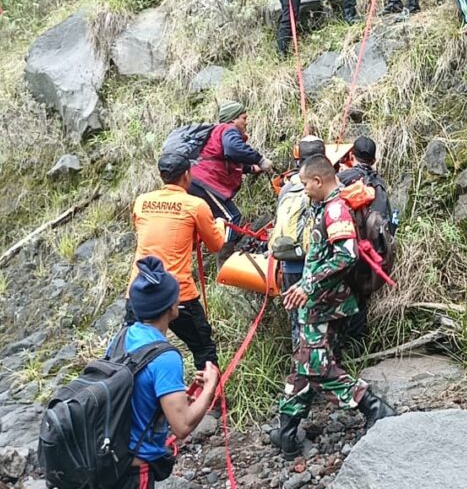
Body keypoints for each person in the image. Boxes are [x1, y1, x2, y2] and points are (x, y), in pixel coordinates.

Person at [273, 155, 396, 460]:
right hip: (318, 302)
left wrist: (307, 284)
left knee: (317, 368)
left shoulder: (336, 209)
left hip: (324, 305)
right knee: (304, 364)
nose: (304, 190)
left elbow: (346, 254)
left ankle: (375, 407)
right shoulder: (323, 206)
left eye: (305, 184)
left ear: (318, 181)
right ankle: (286, 434)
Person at [117, 256, 220, 488]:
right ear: (171, 307)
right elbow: (182, 427)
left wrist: (170, 396)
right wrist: (210, 388)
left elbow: (132, 386)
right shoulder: (166, 357)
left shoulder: (123, 337)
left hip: (111, 454)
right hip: (136, 467)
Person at [127, 152, 227, 371]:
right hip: (178, 292)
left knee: (134, 353)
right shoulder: (195, 205)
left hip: (140, 291)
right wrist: (220, 225)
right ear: (187, 175)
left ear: (161, 175)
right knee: (203, 349)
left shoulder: (141, 202)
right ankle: (211, 400)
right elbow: (216, 245)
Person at [335, 136, 395, 359]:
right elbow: (390, 223)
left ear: (351, 156)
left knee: (341, 297)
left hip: (344, 248)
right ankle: (358, 349)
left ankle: (338, 351)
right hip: (371, 254)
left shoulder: (341, 179)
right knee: (361, 299)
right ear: (375, 158)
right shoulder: (380, 186)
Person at [271, 134, 328, 348]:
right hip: (317, 264)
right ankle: (320, 364)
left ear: (298, 158)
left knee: (297, 317)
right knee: (319, 318)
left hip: (289, 262)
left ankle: (299, 358)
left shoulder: (287, 187)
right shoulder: (322, 184)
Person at [189, 101, 273, 231]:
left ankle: (206, 246)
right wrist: (260, 160)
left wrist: (251, 168)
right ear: (233, 119)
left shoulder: (218, 132)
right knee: (231, 217)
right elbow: (233, 149)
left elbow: (225, 158)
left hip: (197, 181)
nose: (246, 122)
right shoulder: (228, 129)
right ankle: (225, 250)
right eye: (244, 118)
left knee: (206, 221)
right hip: (204, 182)